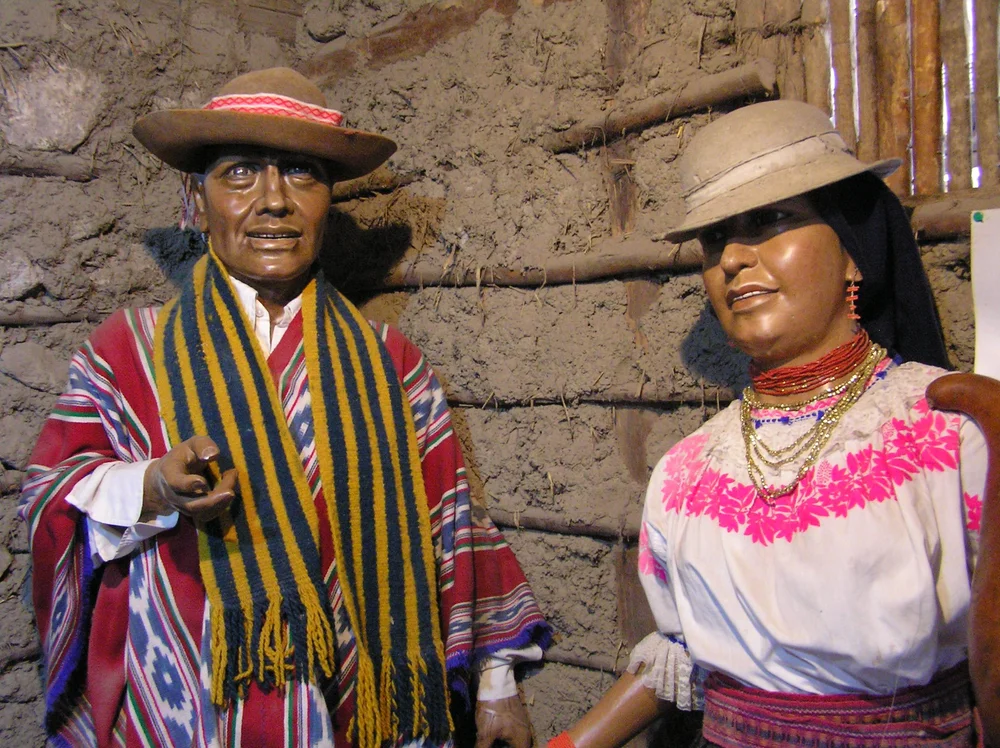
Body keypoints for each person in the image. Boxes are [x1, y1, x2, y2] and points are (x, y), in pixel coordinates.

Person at [20, 67, 551, 748]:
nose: (273, 202)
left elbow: (451, 525)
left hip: (358, 707)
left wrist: (496, 686)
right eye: (240, 174)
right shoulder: (131, 353)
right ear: (197, 198)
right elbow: (49, 503)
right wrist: (152, 486)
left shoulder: (392, 366)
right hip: (188, 703)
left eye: (301, 173)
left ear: (327, 201)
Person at [550, 99, 987, 748]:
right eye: (716, 238)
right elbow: (683, 653)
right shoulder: (687, 474)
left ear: (853, 249)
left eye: (772, 220)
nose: (731, 259)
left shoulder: (953, 433)